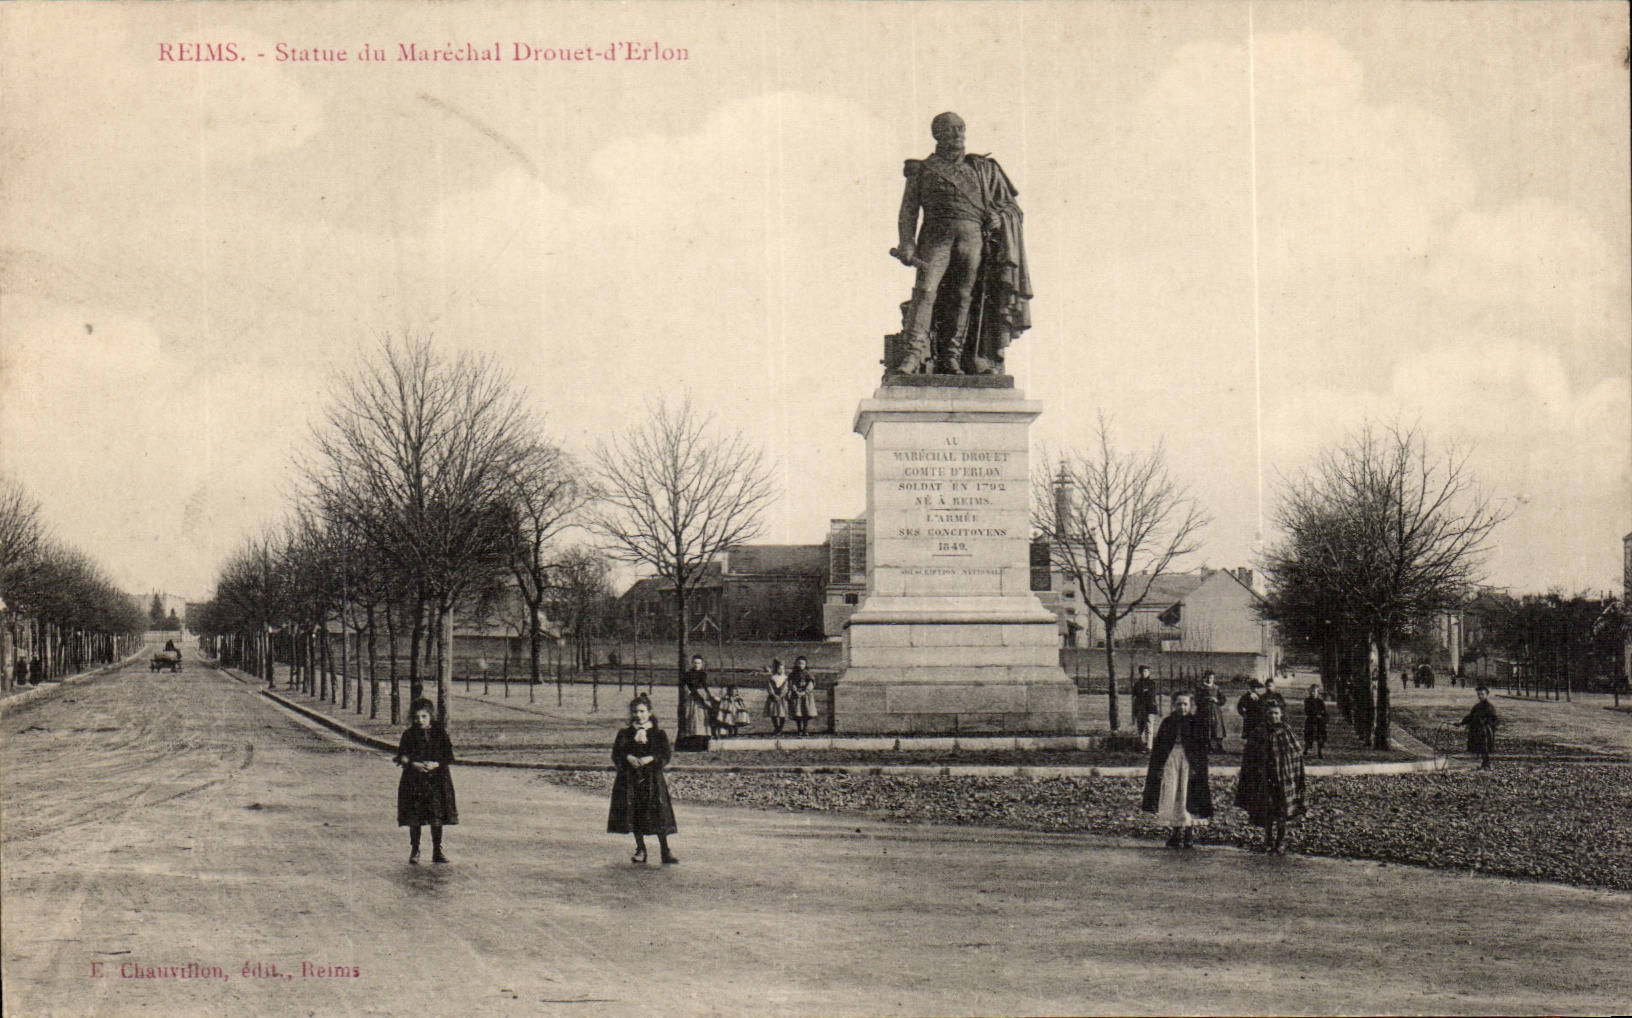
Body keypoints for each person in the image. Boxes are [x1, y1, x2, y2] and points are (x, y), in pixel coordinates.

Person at [891, 112, 1030, 376]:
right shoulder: (923, 170)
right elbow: (908, 211)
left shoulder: (981, 170)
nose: (957, 134)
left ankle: (952, 358)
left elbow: (1009, 208)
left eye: (961, 128)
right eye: (950, 129)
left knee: (964, 297)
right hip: (936, 236)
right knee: (925, 292)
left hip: (973, 239)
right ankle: (912, 355)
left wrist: (998, 218)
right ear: (936, 134)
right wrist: (907, 244)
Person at [608, 695, 678, 864]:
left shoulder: (658, 734)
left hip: (652, 779)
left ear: (649, 712)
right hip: (630, 780)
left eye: (642, 711)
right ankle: (640, 848)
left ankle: (665, 849)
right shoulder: (625, 734)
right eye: (635, 712)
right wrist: (628, 758)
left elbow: (665, 755)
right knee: (635, 813)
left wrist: (651, 759)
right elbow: (616, 754)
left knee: (658, 813)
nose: (639, 715)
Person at [1141, 692, 1213, 849]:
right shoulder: (1168, 722)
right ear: (1174, 705)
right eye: (1179, 704)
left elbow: (1201, 749)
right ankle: (1175, 832)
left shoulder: (1196, 723)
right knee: (1173, 793)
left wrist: (1197, 768)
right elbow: (1160, 747)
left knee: (1188, 794)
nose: (1182, 707)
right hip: (1172, 759)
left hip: (1189, 763)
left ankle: (1188, 833)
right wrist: (1159, 767)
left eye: (1185, 704)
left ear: (1190, 705)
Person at [1236, 701, 1306, 854]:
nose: (1273, 716)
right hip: (1264, 777)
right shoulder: (1258, 733)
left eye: (1276, 713)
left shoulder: (1287, 732)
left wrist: (1290, 772)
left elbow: (1296, 755)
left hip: (1282, 778)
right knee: (1267, 809)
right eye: (1270, 713)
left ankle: (1280, 841)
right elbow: (1249, 756)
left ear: (1281, 715)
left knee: (1282, 810)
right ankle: (1267, 839)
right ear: (1265, 715)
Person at [394, 698, 458, 864]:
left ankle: (437, 850)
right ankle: (415, 849)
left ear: (431, 716)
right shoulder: (408, 735)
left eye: (424, 717)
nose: (420, 720)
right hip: (414, 781)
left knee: (436, 816)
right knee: (415, 817)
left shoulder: (440, 733)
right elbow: (402, 756)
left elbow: (448, 755)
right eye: (416, 717)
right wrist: (413, 764)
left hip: (437, 781)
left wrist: (436, 764)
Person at [677, 655, 716, 750]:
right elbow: (690, 686)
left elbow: (705, 686)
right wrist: (698, 697)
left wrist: (710, 697)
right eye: (695, 663)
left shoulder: (703, 674)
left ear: (702, 664)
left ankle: (704, 741)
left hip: (702, 695)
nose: (696, 665)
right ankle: (693, 742)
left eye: (698, 663)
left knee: (703, 718)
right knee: (693, 717)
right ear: (692, 663)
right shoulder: (688, 674)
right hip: (694, 697)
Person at [1457, 685, 1499, 769]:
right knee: (1479, 746)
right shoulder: (1477, 706)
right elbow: (1470, 716)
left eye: (1482, 694)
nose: (1480, 696)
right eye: (1479, 694)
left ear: (1486, 695)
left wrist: (1488, 725)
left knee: (1485, 746)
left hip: (1485, 730)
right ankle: (1484, 763)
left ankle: (1486, 764)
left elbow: (1494, 719)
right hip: (1477, 729)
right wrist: (1461, 723)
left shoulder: (1489, 707)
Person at [1194, 671, 1228, 752]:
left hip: (1215, 711)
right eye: (1208, 677)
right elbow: (1197, 700)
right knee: (1205, 729)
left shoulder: (1216, 688)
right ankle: (1207, 747)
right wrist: (1206, 699)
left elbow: (1223, 700)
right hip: (1204, 712)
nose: (1210, 679)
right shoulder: (1200, 688)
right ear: (1204, 678)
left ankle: (1219, 747)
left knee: (1217, 729)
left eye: (1212, 678)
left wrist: (1216, 700)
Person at [1130, 665, 1159, 750]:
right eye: (1142, 671)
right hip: (1140, 709)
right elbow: (1135, 696)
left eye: (1146, 671)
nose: (1144, 673)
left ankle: (1149, 748)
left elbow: (1151, 695)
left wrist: (1143, 693)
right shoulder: (1137, 684)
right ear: (1140, 673)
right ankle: (1142, 746)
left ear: (1149, 672)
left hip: (1150, 708)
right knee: (1140, 729)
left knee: (1149, 728)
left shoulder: (1152, 683)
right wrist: (1135, 710)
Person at [788, 656, 818, 737]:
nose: (801, 665)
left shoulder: (808, 674)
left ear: (805, 664)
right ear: (796, 664)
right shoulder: (793, 674)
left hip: (806, 696)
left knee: (806, 712)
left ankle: (805, 729)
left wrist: (805, 691)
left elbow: (811, 684)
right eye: (799, 663)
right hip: (796, 695)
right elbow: (791, 683)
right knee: (798, 713)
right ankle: (799, 729)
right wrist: (796, 691)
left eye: (802, 663)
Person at [764, 659, 791, 737]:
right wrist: (773, 695)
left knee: (782, 714)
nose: (781, 670)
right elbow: (770, 687)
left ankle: (780, 728)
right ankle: (776, 727)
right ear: (776, 669)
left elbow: (786, 687)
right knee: (774, 713)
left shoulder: (785, 678)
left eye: (783, 668)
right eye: (779, 668)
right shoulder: (772, 678)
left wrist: (781, 695)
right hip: (773, 698)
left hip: (782, 698)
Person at [1303, 684, 1329, 760]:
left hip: (1319, 722)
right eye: (1311, 691)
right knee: (1308, 736)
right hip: (1311, 720)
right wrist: (1315, 713)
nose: (1312, 693)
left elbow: (1324, 711)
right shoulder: (1307, 700)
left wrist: (1323, 717)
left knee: (1320, 736)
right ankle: (1306, 749)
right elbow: (1307, 710)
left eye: (1314, 692)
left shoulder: (1320, 701)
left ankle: (1319, 751)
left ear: (1318, 693)